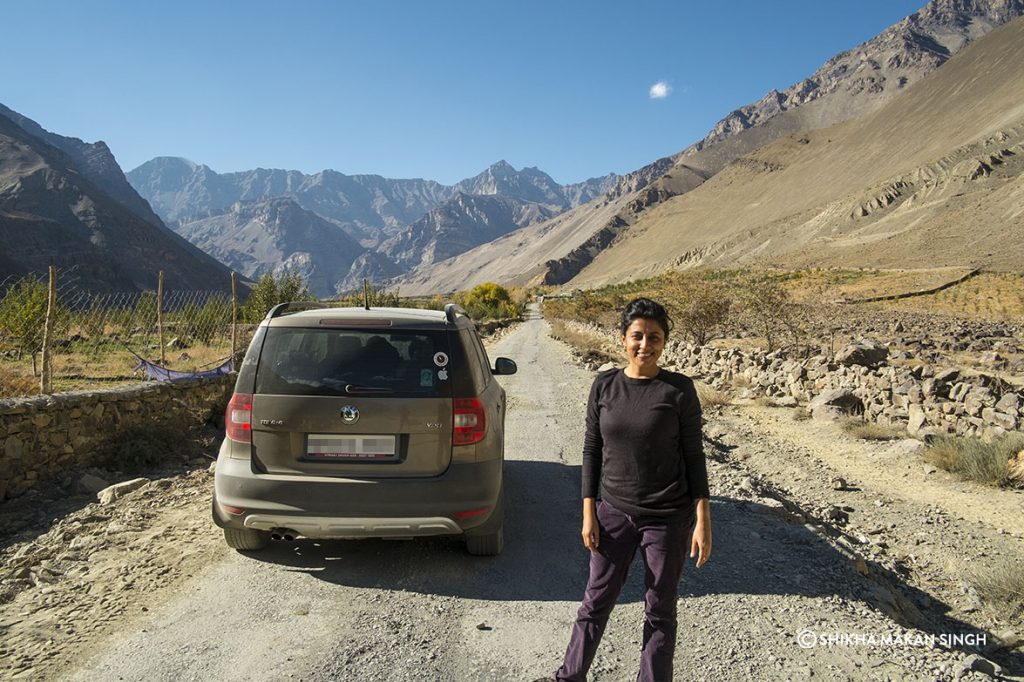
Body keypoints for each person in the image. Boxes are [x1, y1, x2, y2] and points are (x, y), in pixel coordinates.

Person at [546, 297, 712, 682]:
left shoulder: (679, 390)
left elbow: (694, 455)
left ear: (665, 342)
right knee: (595, 601)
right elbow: (591, 450)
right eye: (637, 336)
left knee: (660, 611)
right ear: (622, 339)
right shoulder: (605, 386)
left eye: (654, 337)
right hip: (614, 513)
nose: (645, 345)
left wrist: (702, 519)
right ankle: (569, 677)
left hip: (669, 519)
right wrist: (589, 511)